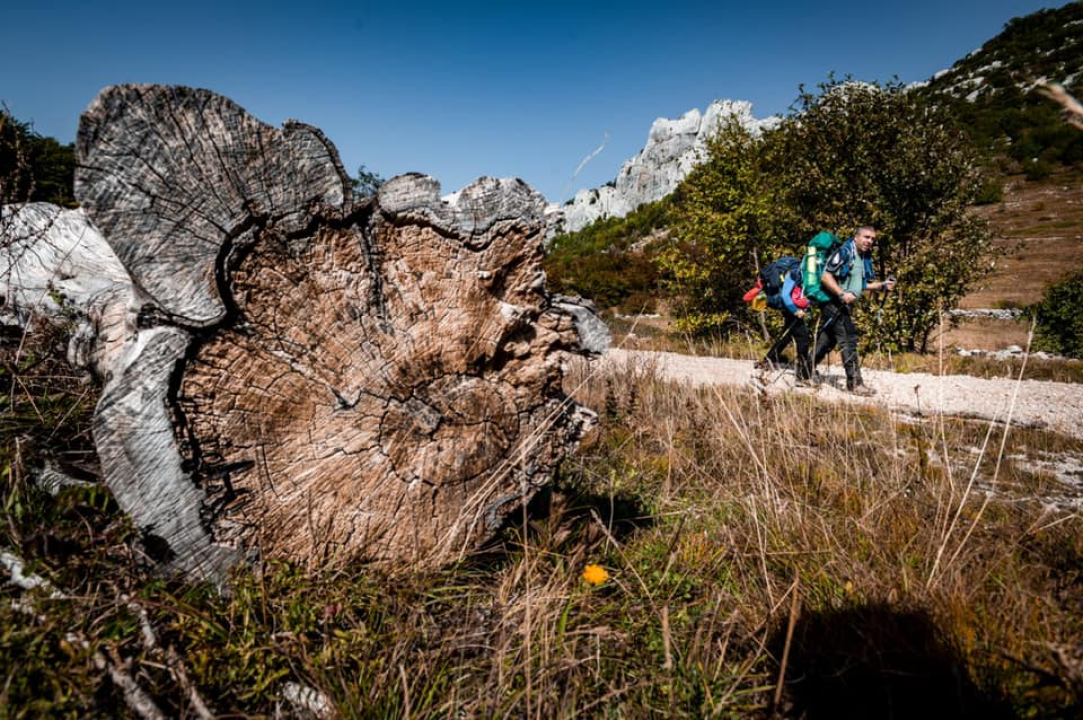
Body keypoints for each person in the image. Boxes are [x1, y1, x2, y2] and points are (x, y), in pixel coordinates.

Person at [811, 225, 896, 395]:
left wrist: (881, 286)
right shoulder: (844, 252)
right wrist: (841, 293)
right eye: (866, 237)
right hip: (833, 302)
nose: (869, 241)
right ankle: (855, 384)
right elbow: (825, 276)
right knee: (849, 338)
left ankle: (804, 371)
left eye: (872, 239)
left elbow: (860, 285)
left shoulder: (862, 258)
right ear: (856, 237)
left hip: (843, 304)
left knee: (827, 341)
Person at [755, 264, 815, 385]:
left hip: (789, 305)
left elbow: (805, 293)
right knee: (803, 338)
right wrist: (795, 310)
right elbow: (785, 296)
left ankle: (767, 361)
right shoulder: (796, 272)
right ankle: (803, 373)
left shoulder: (808, 271)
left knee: (787, 335)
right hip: (788, 305)